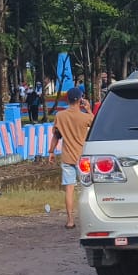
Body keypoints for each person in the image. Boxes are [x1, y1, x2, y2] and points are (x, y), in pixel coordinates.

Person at [51, 90, 95, 229]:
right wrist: (88, 109)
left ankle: (70, 220)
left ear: (67, 99)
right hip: (83, 158)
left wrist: (51, 151)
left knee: (69, 189)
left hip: (67, 158)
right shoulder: (85, 117)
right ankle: (91, 218)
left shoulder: (60, 116)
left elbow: (56, 136)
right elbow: (95, 123)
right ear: (80, 100)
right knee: (88, 188)